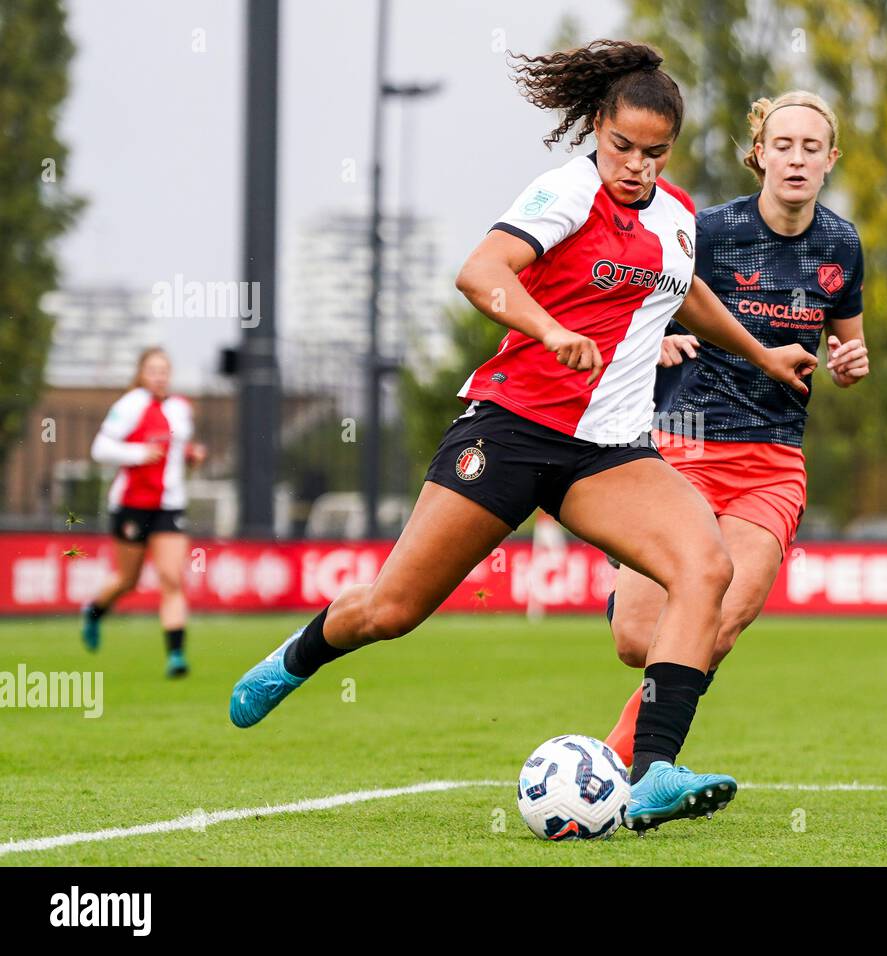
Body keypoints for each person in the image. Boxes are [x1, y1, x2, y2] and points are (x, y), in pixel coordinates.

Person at [227, 41, 817, 833]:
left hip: (606, 452)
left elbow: (692, 297)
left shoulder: (677, 216)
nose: (636, 166)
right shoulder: (567, 191)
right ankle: (295, 659)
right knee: (394, 609)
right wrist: (547, 328)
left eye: (653, 153)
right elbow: (481, 270)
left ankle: (653, 775)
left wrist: (761, 350)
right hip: (511, 430)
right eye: (622, 148)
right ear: (596, 130)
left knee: (703, 567)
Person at [604, 91, 869, 766]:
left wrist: (851, 360)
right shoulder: (710, 230)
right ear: (760, 155)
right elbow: (641, 301)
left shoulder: (842, 244)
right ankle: (631, 751)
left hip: (773, 461)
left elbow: (849, 348)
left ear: (830, 160)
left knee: (715, 629)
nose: (797, 158)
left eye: (812, 147)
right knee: (638, 640)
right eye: (783, 145)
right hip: (684, 448)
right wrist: (656, 338)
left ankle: (624, 768)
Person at [83, 347, 206, 678]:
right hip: (132, 504)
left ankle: (176, 656)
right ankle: (95, 611)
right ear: (141, 373)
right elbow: (100, 448)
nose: (160, 376)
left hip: (169, 505)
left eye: (164, 370)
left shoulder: (180, 409)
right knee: (128, 579)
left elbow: (177, 455)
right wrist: (138, 452)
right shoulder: (130, 405)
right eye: (153, 370)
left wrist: (193, 456)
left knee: (171, 577)